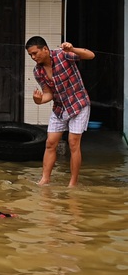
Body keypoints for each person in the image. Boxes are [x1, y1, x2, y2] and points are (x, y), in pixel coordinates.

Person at [25, 36, 95, 187]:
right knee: (50, 143)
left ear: (45, 49)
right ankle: (45, 179)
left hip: (78, 104)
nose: (33, 57)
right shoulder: (38, 71)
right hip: (59, 107)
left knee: (73, 142)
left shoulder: (62, 55)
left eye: (35, 53)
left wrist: (72, 49)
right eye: (30, 55)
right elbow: (48, 93)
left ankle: (73, 183)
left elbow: (90, 55)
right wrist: (38, 100)